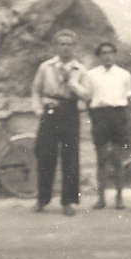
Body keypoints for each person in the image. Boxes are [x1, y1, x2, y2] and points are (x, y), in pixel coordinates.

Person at [31, 29, 90, 216]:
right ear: (56, 46)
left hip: (70, 111)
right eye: (62, 44)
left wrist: (73, 85)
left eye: (69, 44)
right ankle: (42, 199)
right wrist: (39, 110)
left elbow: (88, 95)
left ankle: (68, 201)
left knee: (70, 157)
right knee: (45, 155)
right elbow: (35, 90)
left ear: (74, 47)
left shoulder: (80, 70)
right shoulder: (46, 67)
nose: (65, 48)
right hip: (50, 111)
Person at [85, 41, 131, 210]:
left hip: (118, 115)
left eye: (110, 52)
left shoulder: (124, 75)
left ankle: (119, 199)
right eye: (103, 53)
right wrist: (96, 116)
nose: (107, 56)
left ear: (115, 54)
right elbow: (88, 98)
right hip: (99, 116)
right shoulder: (91, 75)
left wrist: (122, 117)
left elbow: (128, 98)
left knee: (118, 159)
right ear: (99, 56)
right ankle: (101, 198)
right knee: (101, 158)